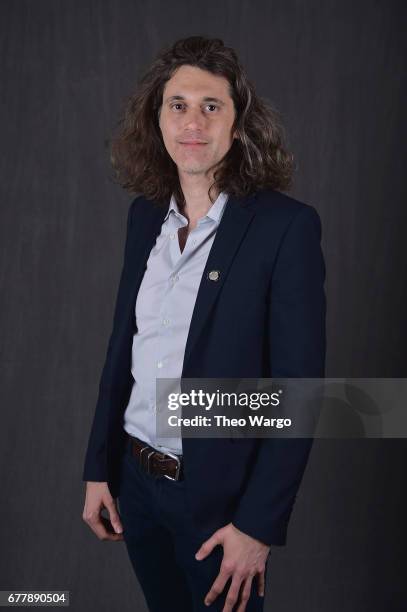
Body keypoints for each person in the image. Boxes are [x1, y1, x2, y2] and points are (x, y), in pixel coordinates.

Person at [82, 36, 326, 612]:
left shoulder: (283, 229)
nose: (193, 122)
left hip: (218, 503)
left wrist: (257, 526)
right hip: (136, 485)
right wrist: (100, 469)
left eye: (211, 106)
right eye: (178, 105)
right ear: (157, 118)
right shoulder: (146, 217)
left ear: (238, 124)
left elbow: (301, 393)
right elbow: (125, 350)